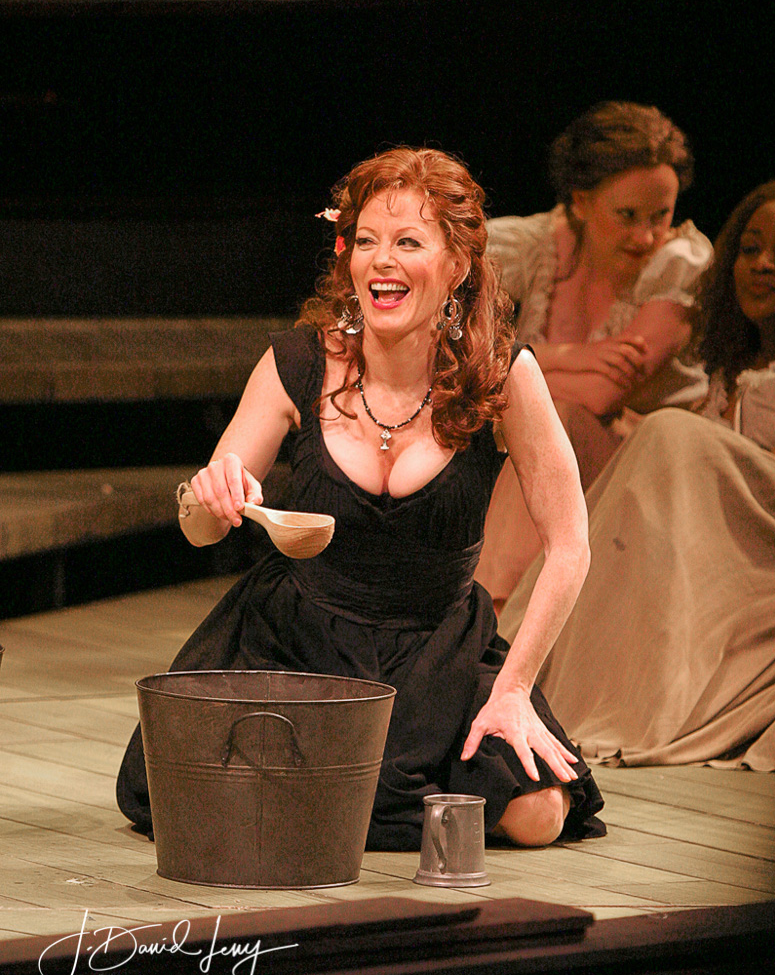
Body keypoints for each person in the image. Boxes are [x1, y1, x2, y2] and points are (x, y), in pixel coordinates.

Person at [117, 146, 605, 850]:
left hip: (438, 649)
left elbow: (569, 545)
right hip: (295, 643)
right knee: (185, 791)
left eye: (408, 242)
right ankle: (342, 804)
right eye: (367, 241)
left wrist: (514, 688)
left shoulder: (502, 375)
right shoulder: (297, 362)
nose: (382, 261)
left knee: (537, 816)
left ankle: (342, 805)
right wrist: (208, 496)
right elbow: (202, 527)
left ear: (456, 265)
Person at [499, 179, 775, 771]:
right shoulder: (730, 361)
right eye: (751, 249)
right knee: (587, 439)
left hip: (762, 541)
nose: (763, 265)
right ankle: (509, 649)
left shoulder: (674, 276)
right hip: (710, 532)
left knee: (668, 433)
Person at [475, 101, 713, 611]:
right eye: (627, 216)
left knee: (549, 418)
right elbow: (449, 347)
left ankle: (494, 612)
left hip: (651, 470)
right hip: (547, 454)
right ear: (581, 202)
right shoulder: (537, 246)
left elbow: (603, 395)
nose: (646, 236)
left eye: (661, 216)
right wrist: (565, 356)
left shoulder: (680, 264)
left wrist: (504, 372)